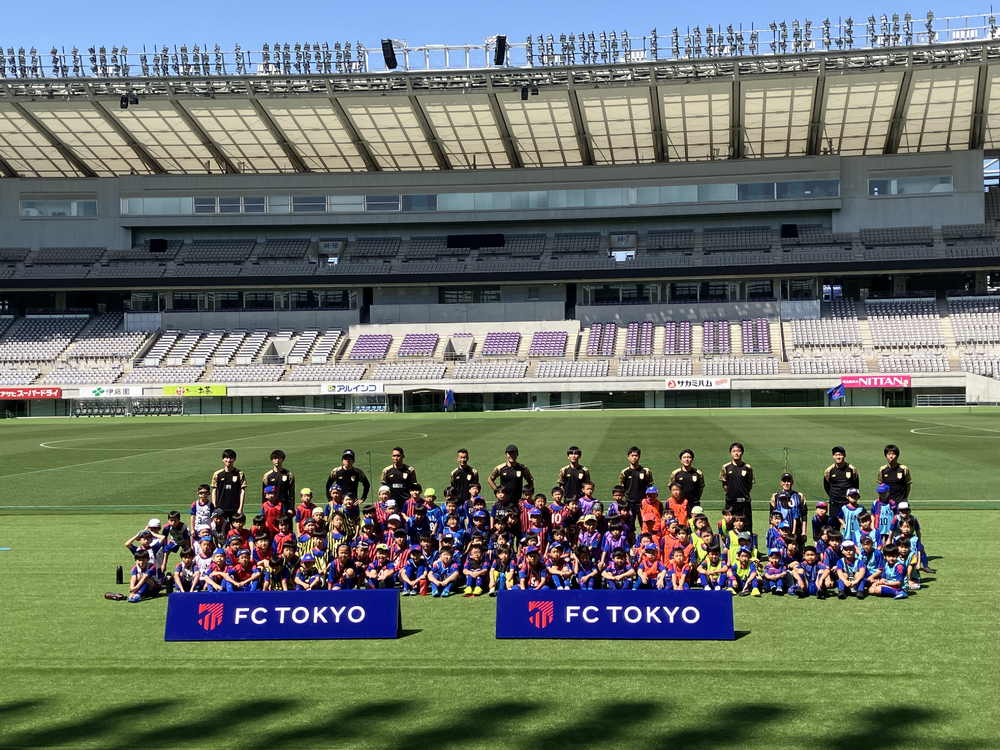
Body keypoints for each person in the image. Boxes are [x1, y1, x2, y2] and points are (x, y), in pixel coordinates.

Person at [720, 443, 755, 531]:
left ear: (742, 453)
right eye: (734, 451)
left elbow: (750, 484)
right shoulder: (726, 467)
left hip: (744, 502)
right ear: (731, 453)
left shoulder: (747, 467)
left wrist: (743, 493)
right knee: (729, 525)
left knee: (746, 526)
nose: (736, 453)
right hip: (731, 502)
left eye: (738, 451)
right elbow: (724, 485)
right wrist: (731, 493)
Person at [823, 446, 860, 526]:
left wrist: (851, 498)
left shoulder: (852, 469)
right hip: (835, 504)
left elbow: (856, 485)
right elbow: (826, 486)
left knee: (849, 526)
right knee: (834, 528)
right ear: (833, 456)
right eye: (836, 455)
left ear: (844, 455)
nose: (838, 457)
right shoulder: (829, 470)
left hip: (848, 503)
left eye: (840, 455)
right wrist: (833, 496)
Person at [619, 446, 654, 529]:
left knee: (644, 525)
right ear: (628, 457)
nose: (634, 458)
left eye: (636, 455)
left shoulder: (645, 471)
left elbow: (650, 486)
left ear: (639, 457)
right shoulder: (625, 472)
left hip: (643, 503)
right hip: (629, 503)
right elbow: (622, 487)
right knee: (628, 526)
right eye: (632, 455)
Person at [770, 474, 807, 543]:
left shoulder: (799, 496)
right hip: (780, 531)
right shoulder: (775, 496)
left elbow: (804, 515)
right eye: (784, 481)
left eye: (788, 481)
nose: (786, 483)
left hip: (796, 530)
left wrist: (804, 532)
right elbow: (771, 516)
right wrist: (771, 530)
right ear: (781, 483)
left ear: (792, 482)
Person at [211, 449, 247, 520]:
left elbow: (242, 490)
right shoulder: (217, 474)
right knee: (221, 526)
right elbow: (214, 490)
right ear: (223, 459)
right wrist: (214, 506)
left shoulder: (239, 473)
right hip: (221, 507)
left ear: (234, 459)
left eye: (231, 458)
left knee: (236, 526)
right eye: (226, 458)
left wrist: (240, 508)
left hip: (235, 507)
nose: (229, 460)